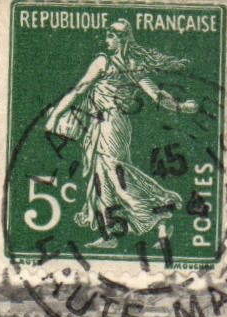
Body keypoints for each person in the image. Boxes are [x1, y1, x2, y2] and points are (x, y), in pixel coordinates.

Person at [44, 20, 198, 248]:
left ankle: (160, 215)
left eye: (110, 35)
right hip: (107, 125)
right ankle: (111, 233)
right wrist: (181, 107)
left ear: (121, 39)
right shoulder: (134, 66)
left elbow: (79, 90)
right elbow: (157, 96)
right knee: (102, 176)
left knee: (115, 174)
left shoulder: (103, 62)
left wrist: (55, 116)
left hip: (110, 124)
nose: (106, 40)